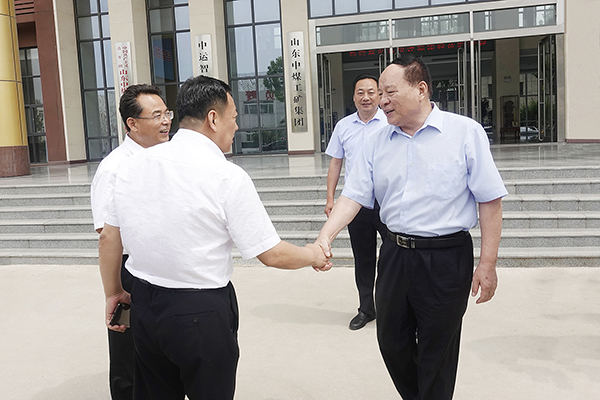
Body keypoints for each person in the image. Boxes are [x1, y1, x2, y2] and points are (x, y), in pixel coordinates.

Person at [98, 75, 331, 400]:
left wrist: (114, 293)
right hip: (199, 312)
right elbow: (271, 254)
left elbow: (109, 237)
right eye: (233, 118)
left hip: (145, 304)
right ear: (212, 118)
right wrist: (313, 255)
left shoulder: (131, 165)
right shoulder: (226, 176)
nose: (237, 127)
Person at [315, 54, 508, 399]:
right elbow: (354, 195)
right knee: (391, 342)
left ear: (421, 89)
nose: (381, 100)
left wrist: (488, 263)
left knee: (438, 350)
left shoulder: (464, 133)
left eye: (389, 92)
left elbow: (489, 199)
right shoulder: (376, 141)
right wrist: (325, 236)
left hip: (446, 259)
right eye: (379, 93)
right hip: (394, 255)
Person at [90, 83, 172, 399]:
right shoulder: (114, 168)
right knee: (128, 351)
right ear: (132, 124)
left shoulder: (168, 158)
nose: (166, 121)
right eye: (156, 115)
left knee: (162, 350)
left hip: (164, 267)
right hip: (130, 271)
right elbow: (107, 235)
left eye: (167, 113)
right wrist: (115, 290)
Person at [324, 74, 388, 330]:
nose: (366, 97)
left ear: (379, 95)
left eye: (371, 92)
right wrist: (330, 198)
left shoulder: (389, 122)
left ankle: (389, 307)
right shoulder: (344, 126)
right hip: (355, 204)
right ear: (353, 97)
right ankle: (366, 309)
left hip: (386, 202)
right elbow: (336, 162)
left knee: (392, 257)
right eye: (360, 92)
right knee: (363, 259)